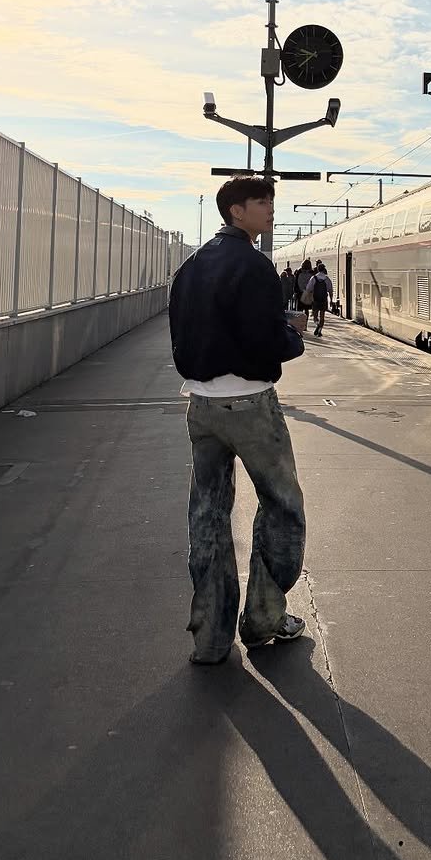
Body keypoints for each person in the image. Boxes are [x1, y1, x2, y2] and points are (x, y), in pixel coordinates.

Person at [168, 177, 308, 665]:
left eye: (271, 201)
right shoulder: (254, 266)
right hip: (250, 405)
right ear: (235, 211)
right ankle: (265, 620)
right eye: (261, 202)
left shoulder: (190, 267)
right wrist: (294, 340)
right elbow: (264, 342)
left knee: (206, 515)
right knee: (282, 506)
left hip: (201, 406)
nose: (270, 209)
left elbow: (180, 335)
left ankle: (209, 636)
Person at [310, 263, 333, 337]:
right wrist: (331, 300)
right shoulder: (327, 279)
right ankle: (319, 330)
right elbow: (330, 290)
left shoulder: (314, 278)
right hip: (323, 299)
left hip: (315, 299)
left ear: (317, 269)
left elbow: (308, 289)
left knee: (315, 316)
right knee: (322, 316)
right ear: (324, 269)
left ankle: (317, 324)